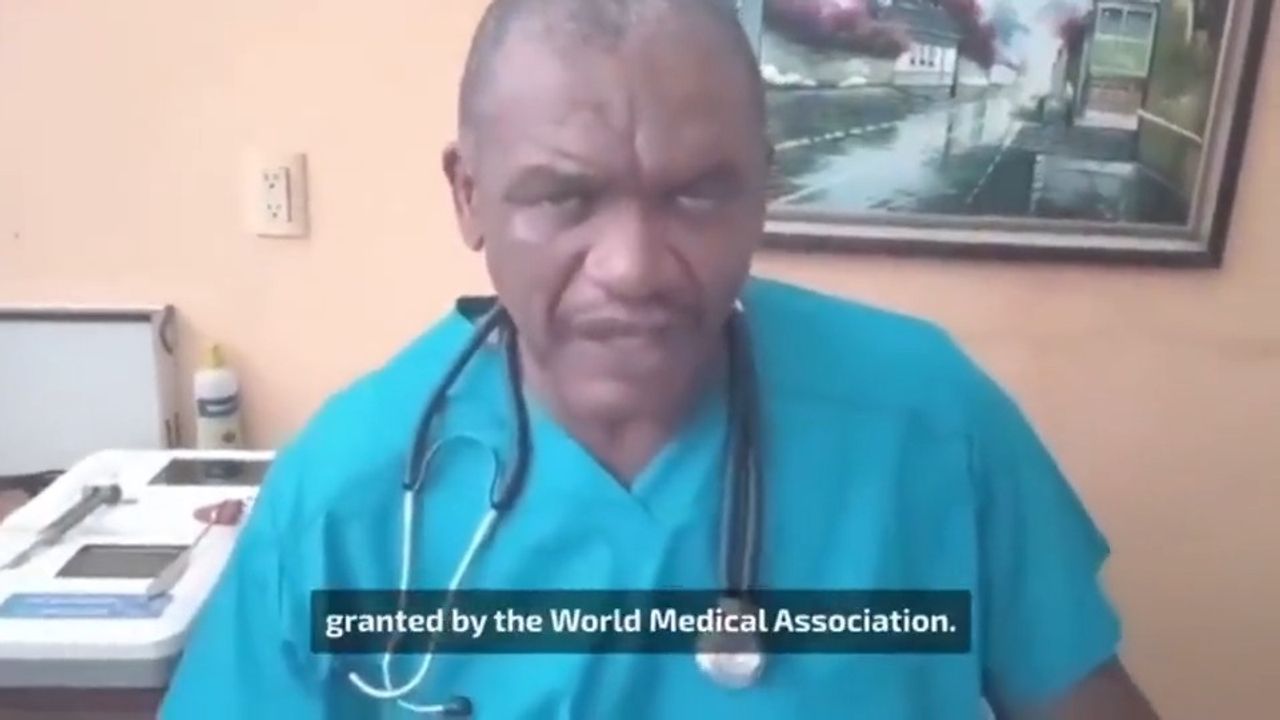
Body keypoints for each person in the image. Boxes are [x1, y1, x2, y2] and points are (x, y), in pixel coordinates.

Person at [160, 0, 1159, 717]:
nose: (633, 268)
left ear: (762, 188)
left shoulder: (929, 428)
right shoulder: (346, 495)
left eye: (696, 193)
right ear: (468, 196)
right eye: (564, 196)